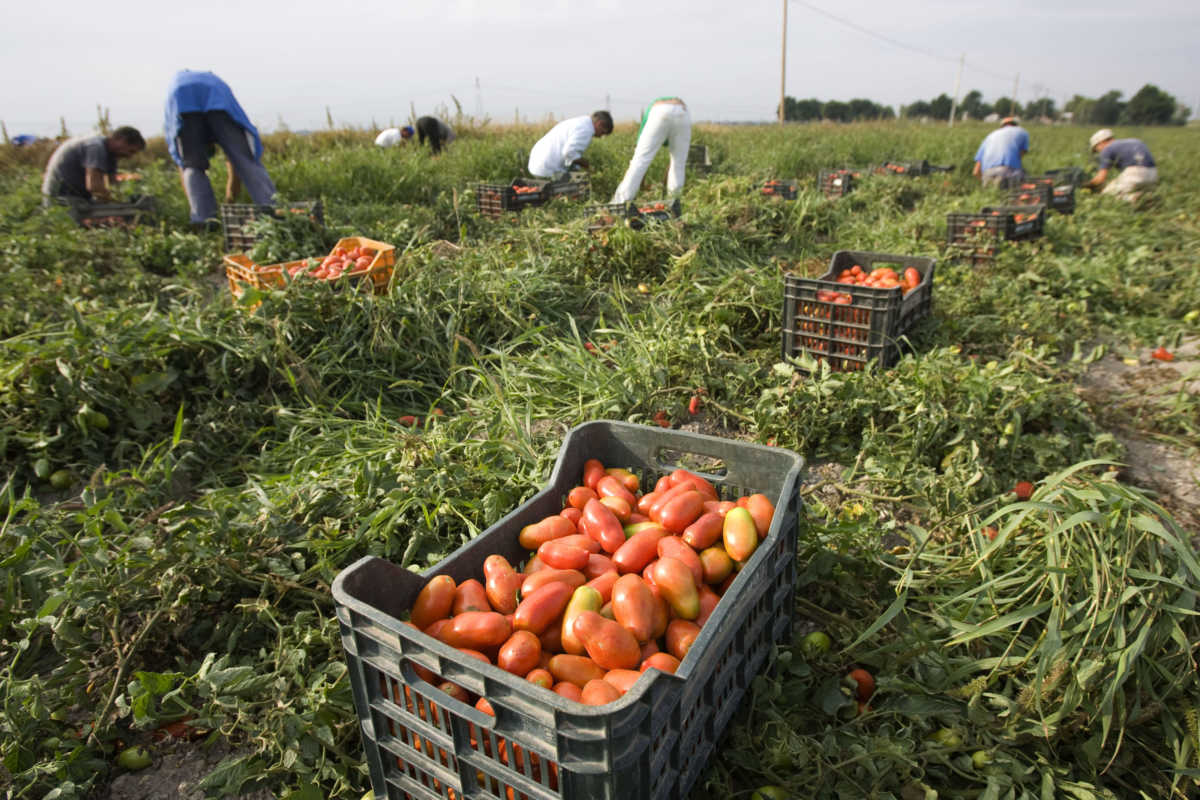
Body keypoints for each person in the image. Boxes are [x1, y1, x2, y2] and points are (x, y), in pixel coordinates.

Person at [164, 69, 276, 227]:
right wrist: (230, 198)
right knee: (244, 159)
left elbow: (185, 169)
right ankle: (272, 210)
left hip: (182, 99)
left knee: (192, 166)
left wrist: (227, 199)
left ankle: (203, 221)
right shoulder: (209, 81)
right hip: (214, 93)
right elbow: (237, 163)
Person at [611, 97, 692, 204]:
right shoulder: (671, 125)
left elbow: (642, 155)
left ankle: (620, 203)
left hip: (660, 111)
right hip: (683, 111)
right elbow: (673, 155)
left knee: (639, 161)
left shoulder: (649, 114)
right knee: (678, 164)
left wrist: (642, 182)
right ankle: (674, 203)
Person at [41, 126, 146, 205]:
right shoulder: (96, 147)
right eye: (130, 151)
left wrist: (122, 199)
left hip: (78, 198)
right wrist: (117, 203)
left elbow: (113, 185)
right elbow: (94, 187)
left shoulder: (111, 155)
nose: (129, 156)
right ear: (120, 140)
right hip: (61, 199)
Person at [527, 111, 613, 179]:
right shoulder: (586, 129)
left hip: (538, 163)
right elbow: (569, 153)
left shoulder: (580, 122)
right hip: (547, 168)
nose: (600, 136)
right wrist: (587, 166)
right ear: (600, 124)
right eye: (603, 133)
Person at [1084, 129, 1157, 201]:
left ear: (1101, 142)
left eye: (1096, 149)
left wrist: (1086, 185)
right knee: (1135, 188)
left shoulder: (1107, 149)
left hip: (1134, 174)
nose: (1098, 152)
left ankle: (1132, 198)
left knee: (1106, 196)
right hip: (1153, 174)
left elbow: (1100, 179)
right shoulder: (1136, 141)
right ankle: (1148, 196)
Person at [972, 117, 1029, 187]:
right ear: (1016, 125)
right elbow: (1020, 156)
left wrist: (985, 181)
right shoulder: (1022, 132)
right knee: (1025, 177)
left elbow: (975, 172)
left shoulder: (990, 136)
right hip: (1008, 172)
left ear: (1002, 126)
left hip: (988, 174)